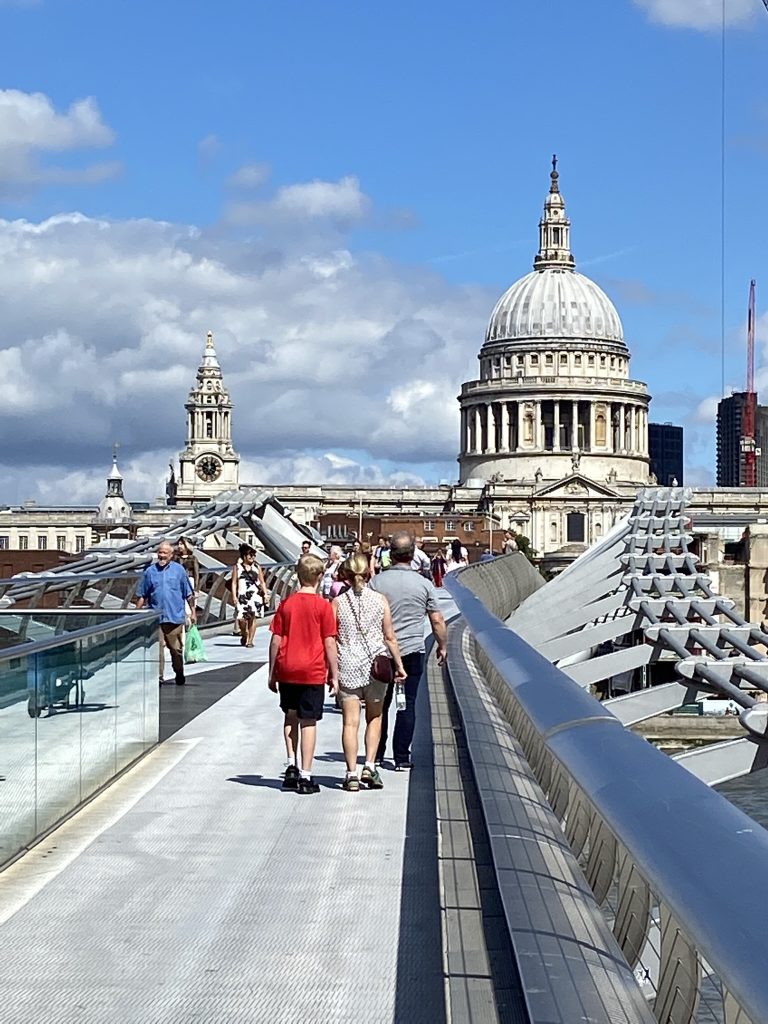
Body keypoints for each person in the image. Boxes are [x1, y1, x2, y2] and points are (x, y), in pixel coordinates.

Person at [370, 531, 447, 770]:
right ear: (412, 554)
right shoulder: (423, 584)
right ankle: (402, 756)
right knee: (407, 703)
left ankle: (377, 753)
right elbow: (436, 620)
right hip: (412, 650)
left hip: (382, 653)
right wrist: (442, 645)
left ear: (390, 555)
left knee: (380, 704)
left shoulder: (376, 583)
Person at [334, 554, 406, 791]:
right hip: (376, 666)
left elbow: (332, 638)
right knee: (374, 717)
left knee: (350, 723)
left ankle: (350, 774)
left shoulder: (338, 602)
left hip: (348, 665)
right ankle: (370, 766)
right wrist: (399, 666)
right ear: (368, 573)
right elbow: (389, 636)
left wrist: (331, 670)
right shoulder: (380, 600)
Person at [268, 554, 338, 795]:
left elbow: (276, 640)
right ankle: (306, 775)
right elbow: (329, 642)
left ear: (298, 575)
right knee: (309, 722)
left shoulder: (286, 605)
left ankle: (291, 766)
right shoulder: (323, 606)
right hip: (312, 670)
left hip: (287, 667)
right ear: (320, 577)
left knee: (290, 716)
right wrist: (335, 675)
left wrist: (272, 672)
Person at [136, 540, 197, 686]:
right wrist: (136, 614)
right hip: (155, 617)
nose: (162, 556)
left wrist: (193, 612)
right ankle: (159, 676)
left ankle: (179, 671)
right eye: (160, 553)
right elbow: (142, 595)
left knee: (175, 649)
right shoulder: (150, 572)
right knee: (157, 649)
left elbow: (188, 593)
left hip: (174, 616)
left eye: (165, 553)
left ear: (171, 555)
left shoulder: (179, 571)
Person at [231, 543, 268, 648]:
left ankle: (250, 641)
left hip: (255, 595)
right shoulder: (237, 568)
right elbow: (234, 582)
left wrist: (265, 595)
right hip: (242, 596)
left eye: (254, 555)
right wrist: (234, 596)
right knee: (241, 619)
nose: (252, 557)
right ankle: (244, 634)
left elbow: (262, 582)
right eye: (250, 555)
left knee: (252, 618)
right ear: (244, 556)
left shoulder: (257, 567)